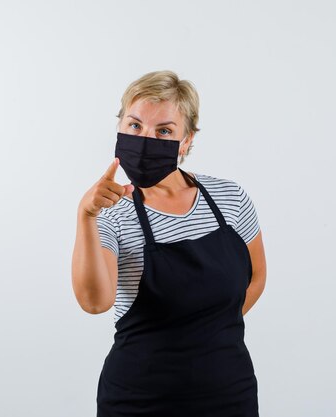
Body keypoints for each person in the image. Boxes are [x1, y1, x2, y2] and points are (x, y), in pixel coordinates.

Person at [71, 70, 267, 416]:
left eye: (164, 131)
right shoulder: (110, 213)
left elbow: (256, 278)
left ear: (187, 140)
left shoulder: (230, 199)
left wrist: (206, 335)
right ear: (119, 128)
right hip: (139, 400)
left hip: (229, 394)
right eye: (134, 126)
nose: (146, 138)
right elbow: (95, 302)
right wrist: (85, 216)